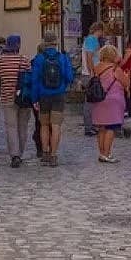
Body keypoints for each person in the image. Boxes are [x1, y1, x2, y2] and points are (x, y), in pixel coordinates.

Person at [31, 33, 74, 166]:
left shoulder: (39, 58)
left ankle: (45, 153)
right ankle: (53, 155)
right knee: (56, 126)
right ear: (56, 43)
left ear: (44, 43)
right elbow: (69, 77)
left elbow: (34, 80)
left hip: (43, 96)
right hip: (58, 96)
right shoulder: (63, 58)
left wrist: (34, 99)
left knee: (44, 125)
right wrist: (62, 86)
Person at [0, 34, 31, 168]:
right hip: (23, 98)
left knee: (11, 127)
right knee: (23, 127)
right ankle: (21, 153)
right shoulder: (24, 60)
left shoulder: (0, 61)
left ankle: (15, 155)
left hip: (7, 97)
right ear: (18, 45)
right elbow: (29, 77)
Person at [89, 43, 128, 164]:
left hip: (99, 100)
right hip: (113, 101)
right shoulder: (116, 69)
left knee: (101, 128)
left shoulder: (96, 68)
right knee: (111, 127)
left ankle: (102, 153)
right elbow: (125, 83)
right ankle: (107, 154)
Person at [81, 21, 104, 137]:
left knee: (93, 100)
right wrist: (92, 72)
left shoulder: (91, 40)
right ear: (99, 30)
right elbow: (89, 57)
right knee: (90, 101)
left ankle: (92, 125)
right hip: (89, 73)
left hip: (91, 72)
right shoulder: (91, 40)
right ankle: (89, 127)